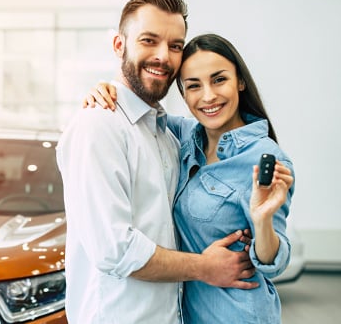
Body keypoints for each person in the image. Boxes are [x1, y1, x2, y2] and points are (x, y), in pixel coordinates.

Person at [56, 0, 261, 324]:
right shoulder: (99, 126)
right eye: (149, 41)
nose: (163, 56)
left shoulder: (165, 134)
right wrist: (205, 267)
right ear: (119, 45)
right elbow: (115, 250)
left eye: (175, 45)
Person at [83, 33, 295, 323]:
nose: (208, 96)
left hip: (239, 313)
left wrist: (262, 221)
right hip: (189, 314)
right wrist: (107, 89)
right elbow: (136, 111)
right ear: (183, 94)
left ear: (240, 82)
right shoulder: (184, 135)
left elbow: (275, 263)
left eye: (219, 80)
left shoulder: (263, 157)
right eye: (194, 86)